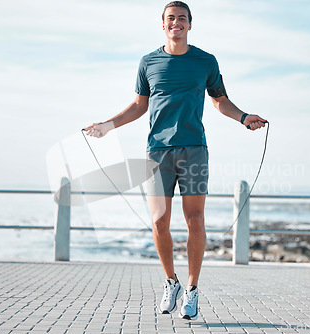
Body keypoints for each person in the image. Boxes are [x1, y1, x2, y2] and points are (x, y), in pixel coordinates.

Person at [84, 1, 266, 320]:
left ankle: (192, 290)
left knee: (194, 220)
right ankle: (172, 282)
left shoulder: (205, 61)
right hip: (157, 150)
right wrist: (107, 126)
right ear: (163, 25)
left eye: (182, 18)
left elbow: (220, 101)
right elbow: (139, 106)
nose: (176, 23)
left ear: (190, 25)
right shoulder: (148, 62)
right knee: (158, 222)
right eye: (171, 18)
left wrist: (243, 117)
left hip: (194, 147)